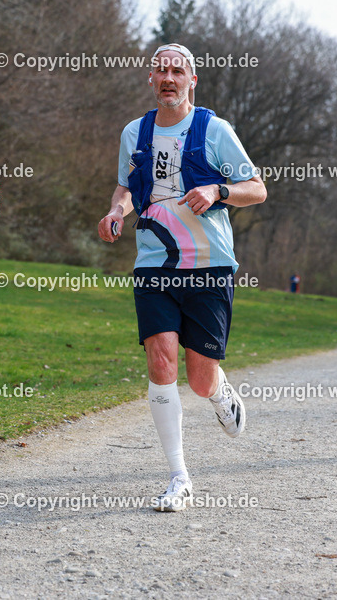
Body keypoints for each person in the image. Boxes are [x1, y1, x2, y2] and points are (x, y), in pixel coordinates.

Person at [98, 43, 266, 512]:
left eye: (178, 71)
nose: (169, 77)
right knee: (160, 359)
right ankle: (179, 476)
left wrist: (218, 189)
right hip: (154, 264)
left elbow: (257, 189)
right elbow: (129, 189)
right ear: (150, 79)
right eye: (161, 70)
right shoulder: (135, 132)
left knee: (198, 377)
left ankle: (219, 392)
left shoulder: (215, 129)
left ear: (193, 81)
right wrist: (116, 211)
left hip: (209, 264)